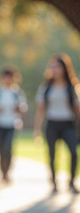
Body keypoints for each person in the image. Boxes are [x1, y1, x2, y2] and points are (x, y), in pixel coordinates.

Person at [34, 53, 79, 193]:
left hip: (68, 123)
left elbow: (77, 109)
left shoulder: (71, 87)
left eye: (57, 66)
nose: (54, 69)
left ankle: (71, 182)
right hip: (52, 123)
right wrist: (37, 130)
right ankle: (54, 182)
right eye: (52, 67)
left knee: (73, 152)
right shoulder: (46, 87)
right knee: (52, 153)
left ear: (65, 68)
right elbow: (40, 110)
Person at [0, 66, 28, 184]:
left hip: (12, 124)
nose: (8, 80)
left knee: (8, 148)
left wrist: (18, 109)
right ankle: (2, 173)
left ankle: (7, 172)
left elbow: (23, 109)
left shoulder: (17, 93)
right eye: (6, 78)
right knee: (1, 150)